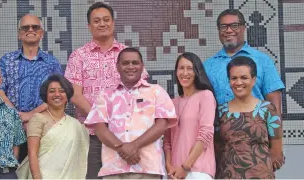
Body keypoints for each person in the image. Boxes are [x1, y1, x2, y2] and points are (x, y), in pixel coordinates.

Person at [64, 2, 148, 178]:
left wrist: (116, 123)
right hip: (91, 136)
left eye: (106, 19)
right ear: (89, 26)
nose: (102, 24)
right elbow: (74, 95)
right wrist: (103, 121)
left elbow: (141, 91)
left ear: (113, 23)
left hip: (126, 136)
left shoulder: (127, 54)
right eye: (96, 21)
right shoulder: (79, 55)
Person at [84, 47, 177, 179]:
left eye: (135, 63)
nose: (130, 66)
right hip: (114, 169)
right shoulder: (105, 95)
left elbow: (161, 125)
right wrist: (123, 148)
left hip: (147, 168)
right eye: (125, 63)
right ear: (117, 67)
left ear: (142, 66)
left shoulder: (156, 91)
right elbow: (99, 128)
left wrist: (134, 146)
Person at [0, 14, 63, 163]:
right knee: (15, 172)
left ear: (41, 33)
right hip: (11, 129)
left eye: (35, 27)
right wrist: (17, 115)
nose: (30, 30)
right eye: (25, 27)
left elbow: (59, 96)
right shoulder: (6, 60)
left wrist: (31, 115)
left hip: (45, 129)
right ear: (19, 34)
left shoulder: (52, 63)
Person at [203, 9, 284, 114]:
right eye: (223, 27)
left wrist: (276, 129)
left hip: (256, 127)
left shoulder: (263, 61)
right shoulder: (208, 66)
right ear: (218, 30)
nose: (228, 30)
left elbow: (274, 105)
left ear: (244, 28)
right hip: (220, 128)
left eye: (234, 25)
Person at [214, 56, 284, 179]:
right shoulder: (220, 111)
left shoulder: (267, 110)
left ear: (254, 80)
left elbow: (276, 151)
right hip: (227, 175)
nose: (239, 82)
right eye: (234, 78)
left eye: (244, 78)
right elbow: (216, 148)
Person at [17, 74, 89, 179]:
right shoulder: (38, 119)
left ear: (67, 96)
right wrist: (37, 177)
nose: (57, 94)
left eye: (61, 91)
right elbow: (32, 153)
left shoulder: (75, 125)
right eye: (51, 91)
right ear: (45, 95)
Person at [163, 52, 217, 179]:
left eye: (190, 68)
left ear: (197, 72)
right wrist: (169, 166)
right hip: (174, 173)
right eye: (181, 68)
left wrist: (186, 166)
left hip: (198, 170)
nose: (185, 73)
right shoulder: (172, 103)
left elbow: (206, 133)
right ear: (176, 72)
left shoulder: (205, 95)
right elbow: (167, 141)